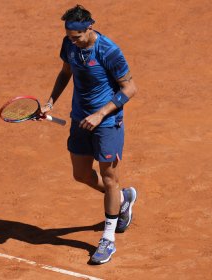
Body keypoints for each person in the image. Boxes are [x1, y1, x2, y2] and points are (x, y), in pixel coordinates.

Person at [41, 5, 138, 264]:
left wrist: (100, 114)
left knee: (109, 177)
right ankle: (124, 198)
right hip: (79, 119)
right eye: (69, 36)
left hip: (107, 122)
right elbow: (65, 73)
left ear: (90, 28)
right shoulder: (69, 44)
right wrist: (50, 103)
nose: (72, 41)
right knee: (81, 175)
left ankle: (108, 239)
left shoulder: (108, 50)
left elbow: (130, 88)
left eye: (77, 36)